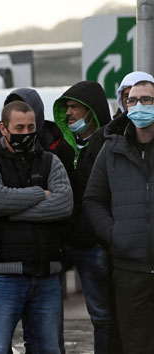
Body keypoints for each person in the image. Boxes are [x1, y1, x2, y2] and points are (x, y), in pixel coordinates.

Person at [0, 100, 73, 354]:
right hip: (4, 274)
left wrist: (14, 212)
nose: (26, 134)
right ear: (3, 129)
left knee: (49, 348)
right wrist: (41, 193)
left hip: (46, 273)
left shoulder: (50, 161)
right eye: (19, 128)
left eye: (31, 127)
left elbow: (64, 204)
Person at [84, 78, 154, 354]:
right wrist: (116, 235)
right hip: (130, 269)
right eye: (133, 100)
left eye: (147, 99)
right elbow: (93, 199)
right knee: (136, 346)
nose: (139, 106)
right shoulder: (111, 148)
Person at [51, 81, 121, 354]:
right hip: (63, 244)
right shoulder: (62, 148)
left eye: (75, 107)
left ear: (91, 111)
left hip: (95, 246)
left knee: (102, 316)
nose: (69, 113)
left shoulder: (109, 147)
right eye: (66, 107)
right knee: (49, 317)